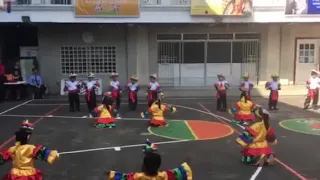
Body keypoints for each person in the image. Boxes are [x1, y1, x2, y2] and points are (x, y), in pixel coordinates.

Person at [105, 139, 192, 180]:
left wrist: (110, 173)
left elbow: (123, 177)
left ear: (144, 166)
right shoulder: (164, 176)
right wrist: (186, 163)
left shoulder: (138, 177)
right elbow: (180, 172)